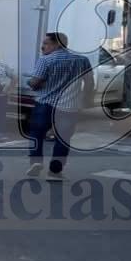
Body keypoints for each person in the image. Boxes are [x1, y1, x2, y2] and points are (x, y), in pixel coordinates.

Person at [26, 31, 93, 180]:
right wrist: (86, 100)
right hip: (69, 107)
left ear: (57, 44)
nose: (42, 47)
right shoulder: (82, 60)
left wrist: (29, 82)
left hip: (45, 104)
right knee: (63, 138)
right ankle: (55, 171)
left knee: (37, 134)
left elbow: (35, 84)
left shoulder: (46, 60)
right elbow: (89, 83)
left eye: (46, 43)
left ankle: (36, 162)